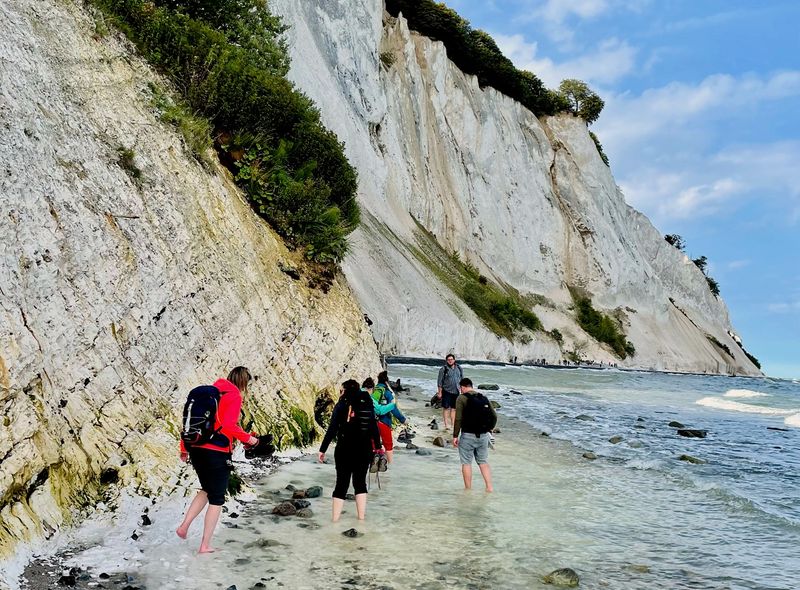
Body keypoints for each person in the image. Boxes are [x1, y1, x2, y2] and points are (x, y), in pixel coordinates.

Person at [176, 367, 257, 553]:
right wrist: (249, 439)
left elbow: (192, 421)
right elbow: (229, 425)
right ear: (243, 382)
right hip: (216, 451)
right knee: (217, 497)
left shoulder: (212, 392)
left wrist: (184, 448)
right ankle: (205, 545)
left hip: (196, 449)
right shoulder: (234, 395)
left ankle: (184, 527)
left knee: (206, 488)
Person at [318, 379, 383, 522]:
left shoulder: (342, 405)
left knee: (341, 484)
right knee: (360, 484)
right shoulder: (367, 403)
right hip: (364, 450)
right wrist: (378, 448)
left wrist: (322, 449)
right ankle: (361, 520)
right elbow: (374, 427)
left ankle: (334, 522)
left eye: (341, 390)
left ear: (345, 390)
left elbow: (332, 429)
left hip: (344, 450)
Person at [452, 378, 497, 492]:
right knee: (483, 462)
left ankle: (468, 489)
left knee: (466, 463)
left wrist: (455, 436)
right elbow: (494, 416)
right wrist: (490, 429)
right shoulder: (483, 398)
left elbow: (458, 419)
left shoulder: (461, 398)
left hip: (468, 435)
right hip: (483, 436)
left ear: (462, 387)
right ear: (471, 386)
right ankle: (489, 487)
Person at [373, 371, 407, 464]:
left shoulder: (373, 391)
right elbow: (393, 408)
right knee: (388, 444)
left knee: (372, 444)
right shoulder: (387, 393)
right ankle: (390, 466)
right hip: (384, 421)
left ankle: (371, 463)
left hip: (372, 422)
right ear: (386, 382)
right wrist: (402, 419)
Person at [436, 354, 463, 431]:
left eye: (451, 359)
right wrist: (439, 392)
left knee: (454, 409)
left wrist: (462, 390)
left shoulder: (459, 368)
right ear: (446, 361)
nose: (450, 361)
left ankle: (453, 424)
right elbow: (439, 382)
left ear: (454, 360)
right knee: (446, 408)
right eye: (448, 359)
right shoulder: (443, 369)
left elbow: (462, 379)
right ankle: (446, 425)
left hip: (456, 391)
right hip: (446, 391)